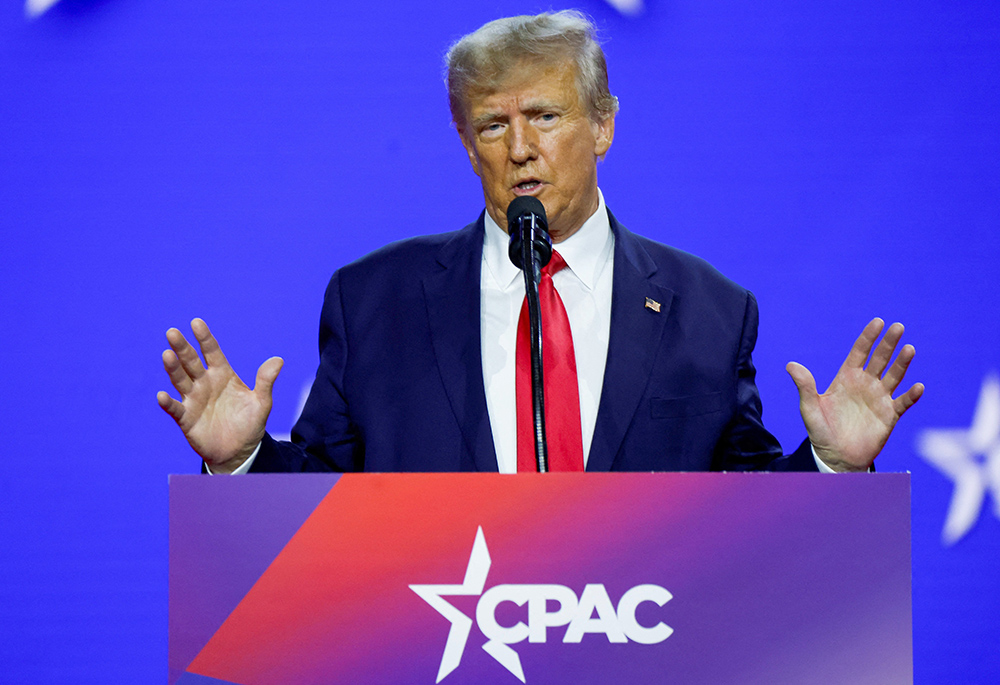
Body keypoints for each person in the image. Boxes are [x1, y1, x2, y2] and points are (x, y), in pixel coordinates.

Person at [157, 11, 923, 475]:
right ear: (466, 143)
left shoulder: (709, 312)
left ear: (603, 125)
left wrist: (831, 465)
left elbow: (748, 526)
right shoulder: (373, 301)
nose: (520, 148)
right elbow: (320, 505)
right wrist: (242, 459)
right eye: (494, 124)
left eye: (547, 117)